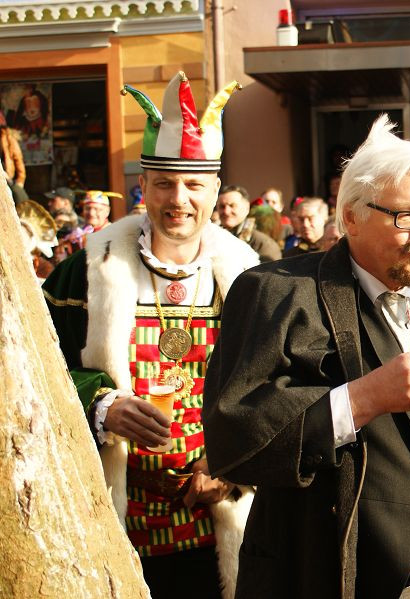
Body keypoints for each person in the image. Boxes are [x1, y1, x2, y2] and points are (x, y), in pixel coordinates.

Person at [202, 114, 410, 599]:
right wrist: (363, 397)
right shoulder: (278, 291)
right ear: (350, 216)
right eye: (407, 216)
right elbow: (232, 439)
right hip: (328, 577)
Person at [42, 72, 256, 599]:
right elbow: (34, 376)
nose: (178, 199)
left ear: (215, 191)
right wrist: (102, 404)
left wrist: (234, 461)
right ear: (144, 186)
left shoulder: (253, 278)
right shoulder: (86, 271)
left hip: (221, 519)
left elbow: (282, 389)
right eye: (163, 183)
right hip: (114, 516)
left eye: (194, 185)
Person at [216, 184, 281, 262]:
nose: (226, 211)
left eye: (232, 205)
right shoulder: (210, 238)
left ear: (247, 208)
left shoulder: (263, 244)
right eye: (222, 206)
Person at [1, 112, 27, 204]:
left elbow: (19, 160)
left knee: (19, 199)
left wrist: (20, 181)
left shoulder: (9, 139)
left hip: (7, 177)